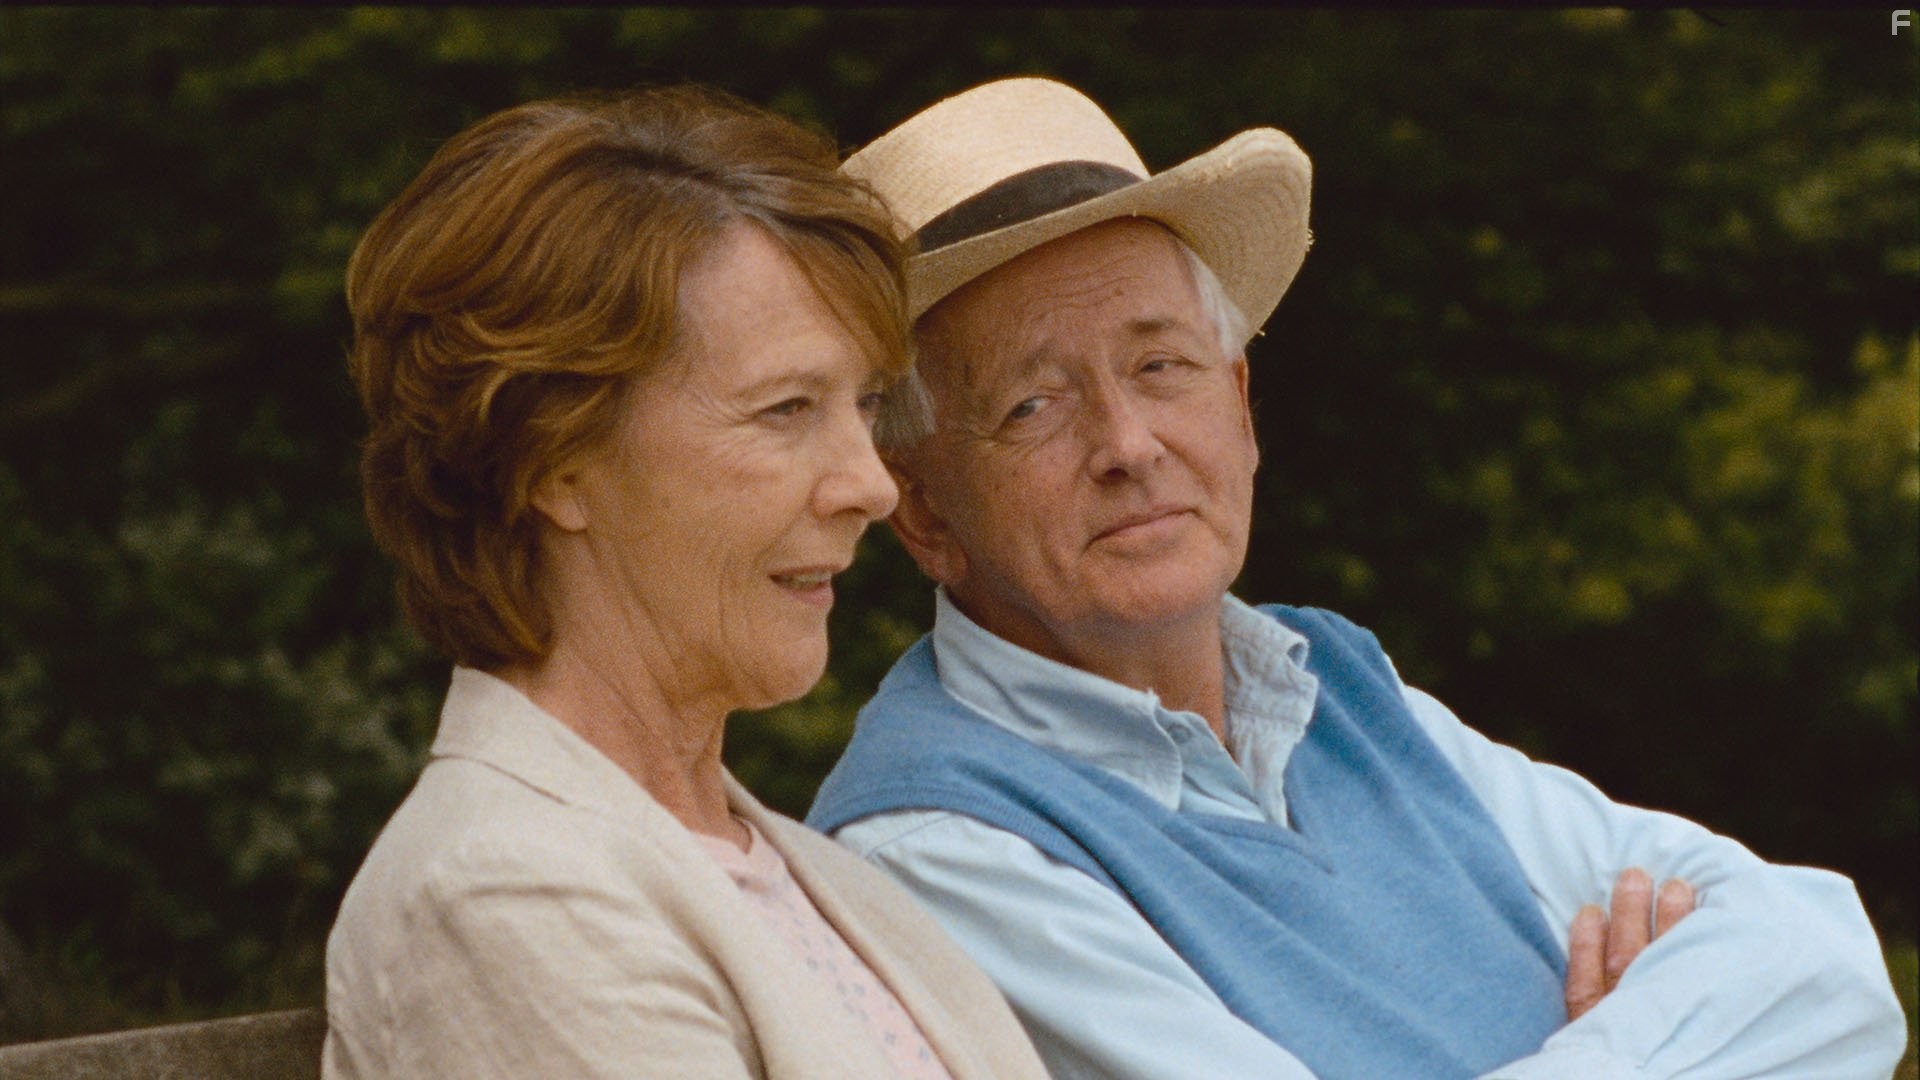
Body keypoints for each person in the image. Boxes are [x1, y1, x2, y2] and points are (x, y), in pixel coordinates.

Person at [807, 78, 1907, 1079]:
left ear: (1238, 407)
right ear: (924, 511)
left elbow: (1823, 958)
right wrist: (1661, 1041)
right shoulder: (933, 849)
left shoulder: (1340, 692)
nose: (1130, 443)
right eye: (1031, 405)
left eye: (1161, 365)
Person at [322, 86, 1049, 1080]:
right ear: (550, 463)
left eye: (866, 404)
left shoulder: (815, 880)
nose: (873, 484)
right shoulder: (507, 898)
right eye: (786, 408)